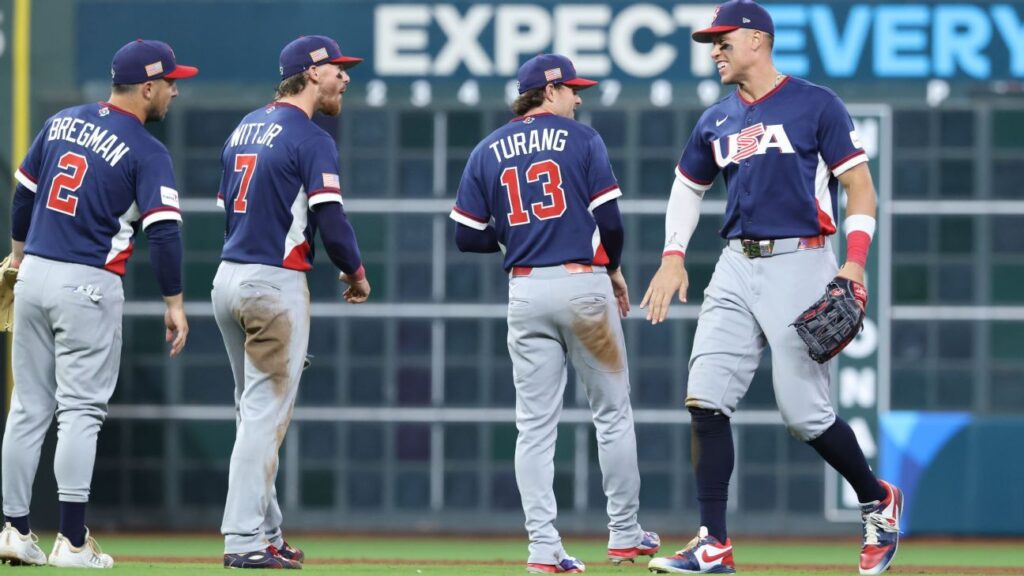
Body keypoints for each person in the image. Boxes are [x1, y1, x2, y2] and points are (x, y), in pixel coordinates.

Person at [641, 2, 901, 575]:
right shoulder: (717, 119)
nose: (714, 50)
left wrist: (854, 265)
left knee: (804, 414)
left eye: (723, 40)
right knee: (705, 395)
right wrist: (673, 256)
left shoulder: (816, 104)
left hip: (802, 257)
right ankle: (713, 542)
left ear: (757, 40)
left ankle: (878, 501)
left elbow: (860, 188)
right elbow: (688, 188)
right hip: (736, 262)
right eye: (712, 41)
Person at [450, 53, 659, 574]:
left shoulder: (487, 148)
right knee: (611, 414)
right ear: (548, 91)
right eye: (571, 89)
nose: (577, 97)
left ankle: (543, 549)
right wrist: (610, 268)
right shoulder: (583, 139)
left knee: (535, 429)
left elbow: (465, 235)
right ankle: (624, 535)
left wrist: (515, 239)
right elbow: (611, 223)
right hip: (582, 283)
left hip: (524, 290)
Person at [0, 39, 194, 568]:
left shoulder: (63, 121)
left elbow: (22, 196)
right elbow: (165, 233)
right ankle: (72, 540)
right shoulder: (148, 149)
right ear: (147, 86)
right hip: (88, 281)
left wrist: (17, 258)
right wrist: (174, 301)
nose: (175, 90)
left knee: (27, 407)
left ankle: (14, 531)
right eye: (170, 82)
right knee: (80, 411)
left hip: (35, 271)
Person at [214, 35, 370, 569]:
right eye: (337, 71)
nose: (345, 78)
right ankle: (242, 541)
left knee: (253, 414)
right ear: (309, 74)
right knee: (263, 417)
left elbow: (229, 207)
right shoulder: (311, 136)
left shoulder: (244, 128)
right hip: (272, 285)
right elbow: (331, 219)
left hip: (227, 279)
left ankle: (268, 530)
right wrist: (355, 271)